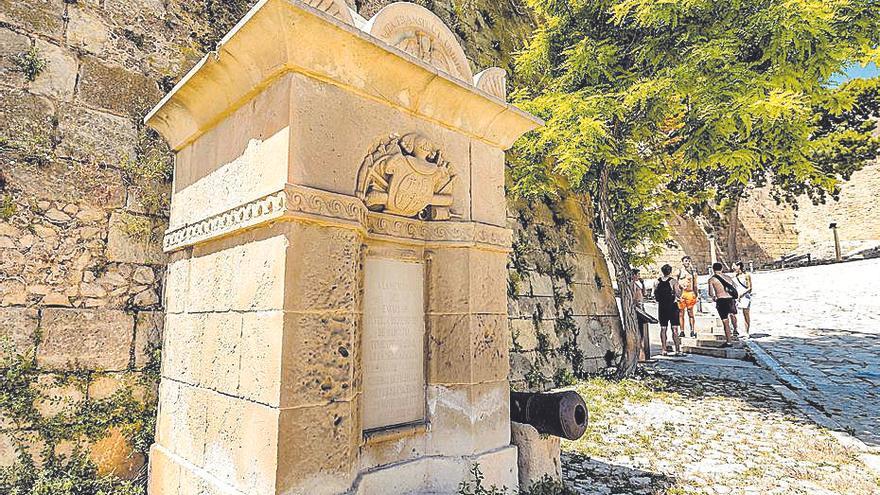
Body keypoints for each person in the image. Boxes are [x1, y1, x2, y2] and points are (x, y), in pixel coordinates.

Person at [708, 262, 738, 346]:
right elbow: (734, 288)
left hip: (721, 300)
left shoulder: (712, 279)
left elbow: (710, 293)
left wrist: (714, 297)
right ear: (721, 269)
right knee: (733, 314)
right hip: (730, 299)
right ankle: (735, 329)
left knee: (725, 321)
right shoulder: (728, 278)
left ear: (713, 270)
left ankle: (729, 341)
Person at [655, 264, 682, 356]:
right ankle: (677, 350)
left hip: (662, 307)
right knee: (674, 328)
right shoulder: (673, 281)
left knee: (663, 329)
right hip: (672, 306)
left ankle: (664, 349)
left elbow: (654, 294)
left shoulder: (657, 281)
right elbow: (678, 294)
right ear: (670, 271)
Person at [677, 255, 699, 337]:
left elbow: (695, 284)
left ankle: (692, 330)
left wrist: (696, 294)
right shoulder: (679, 271)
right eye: (686, 261)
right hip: (682, 293)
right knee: (681, 313)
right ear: (682, 262)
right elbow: (676, 283)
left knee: (691, 313)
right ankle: (682, 331)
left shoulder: (693, 272)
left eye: (689, 261)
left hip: (690, 293)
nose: (687, 262)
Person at [733, 261, 753, 335]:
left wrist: (742, 294)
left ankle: (747, 332)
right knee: (734, 314)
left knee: (746, 314)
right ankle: (735, 330)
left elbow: (750, 288)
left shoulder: (747, 275)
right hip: (737, 298)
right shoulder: (735, 276)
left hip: (745, 297)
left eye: (734, 266)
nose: (733, 268)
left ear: (739, 266)